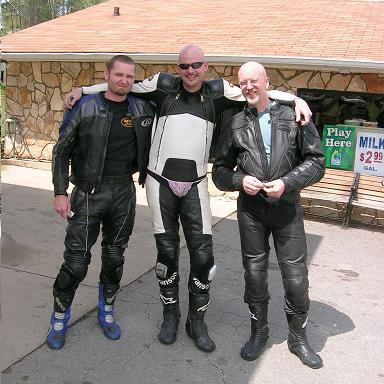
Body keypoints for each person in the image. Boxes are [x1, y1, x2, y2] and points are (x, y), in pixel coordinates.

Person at [63, 45, 313, 353]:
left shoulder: (218, 91)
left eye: (196, 65)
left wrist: (296, 98)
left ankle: (197, 322)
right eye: (184, 66)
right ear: (177, 67)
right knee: (166, 257)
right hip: (160, 184)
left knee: (205, 261)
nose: (190, 71)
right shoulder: (161, 85)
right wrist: (82, 89)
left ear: (205, 67)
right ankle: (171, 316)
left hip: (195, 186)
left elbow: (259, 93)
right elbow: (121, 85)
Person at [212, 61, 325, 368]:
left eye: (254, 81)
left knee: (297, 279)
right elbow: (220, 171)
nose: (248, 86)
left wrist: (287, 183)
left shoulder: (294, 116)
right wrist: (238, 180)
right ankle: (258, 331)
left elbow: (317, 162)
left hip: (286, 209)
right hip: (251, 212)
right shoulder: (234, 123)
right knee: (254, 274)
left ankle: (298, 338)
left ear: (266, 82)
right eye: (243, 82)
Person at [47, 55, 155, 350]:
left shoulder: (142, 107)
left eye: (129, 77)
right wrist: (59, 192)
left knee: (115, 257)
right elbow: (61, 151)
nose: (124, 80)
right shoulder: (86, 107)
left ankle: (106, 309)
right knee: (77, 262)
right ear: (107, 75)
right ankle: (59, 315)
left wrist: (296, 101)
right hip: (87, 193)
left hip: (123, 192)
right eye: (118, 74)